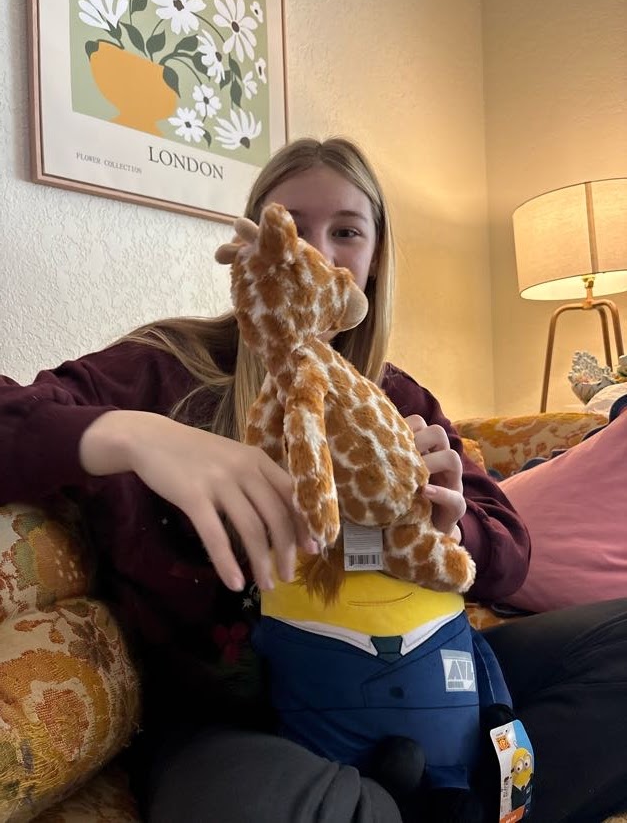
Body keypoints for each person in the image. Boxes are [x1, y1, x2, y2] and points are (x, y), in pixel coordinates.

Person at [1, 137, 626, 823]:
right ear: (250, 248)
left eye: (346, 231)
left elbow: (508, 559)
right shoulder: (162, 367)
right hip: (244, 721)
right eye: (290, 227)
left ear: (375, 258)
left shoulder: (395, 396)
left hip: (429, 672)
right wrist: (134, 434)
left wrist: (450, 527)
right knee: (254, 806)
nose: (317, 253)